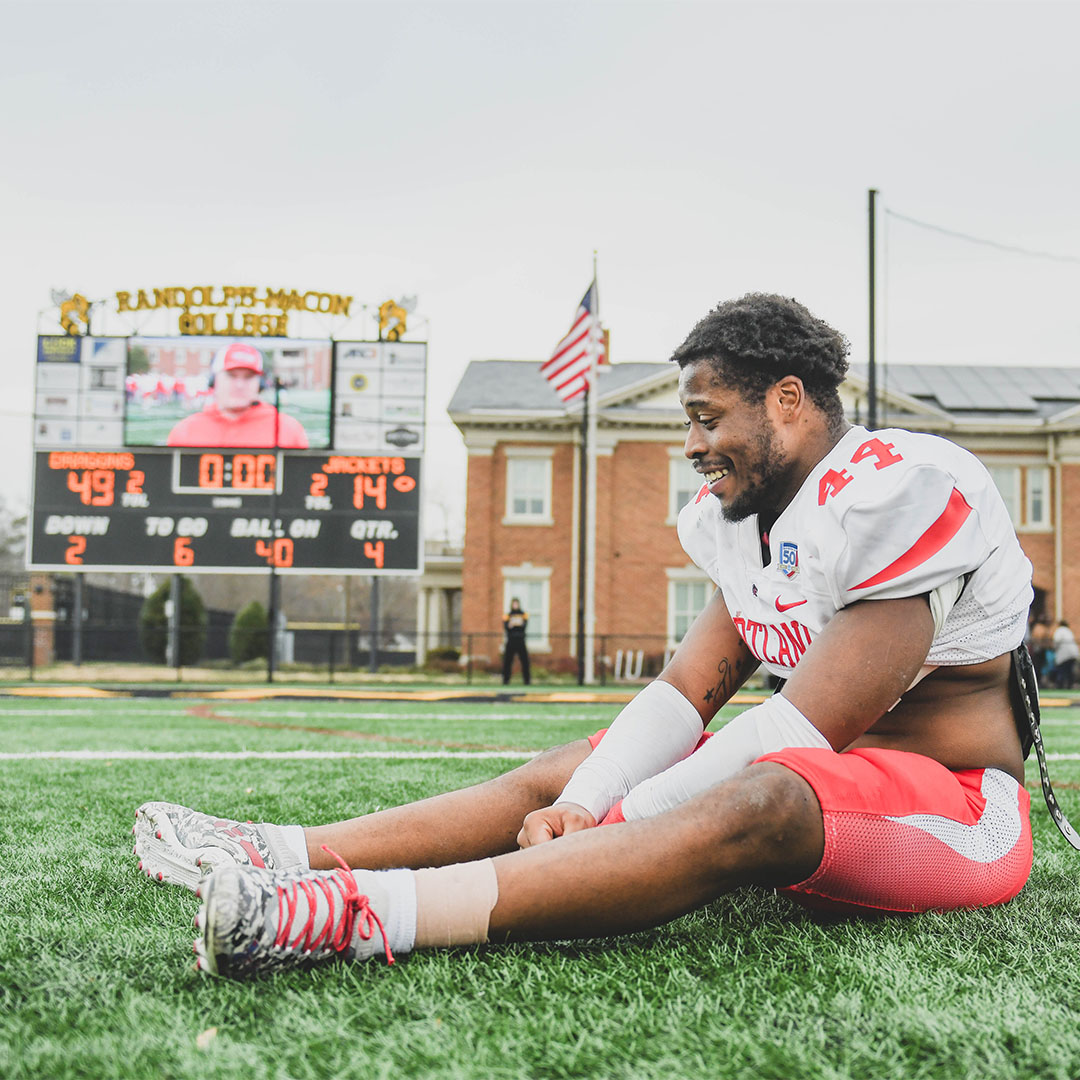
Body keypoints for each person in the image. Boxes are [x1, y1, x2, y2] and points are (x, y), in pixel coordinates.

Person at [135, 293, 1047, 980]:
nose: (691, 443)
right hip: (820, 781)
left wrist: (613, 818)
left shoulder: (903, 486)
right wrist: (592, 791)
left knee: (762, 792)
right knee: (589, 757)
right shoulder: (745, 519)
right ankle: (281, 852)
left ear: (787, 399)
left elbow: (797, 734)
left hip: (953, 805)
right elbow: (683, 695)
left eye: (706, 417)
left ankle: (350, 913)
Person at [166, 342, 308, 448]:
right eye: (231, 376)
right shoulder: (185, 430)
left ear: (261, 383)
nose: (240, 384)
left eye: (248, 377)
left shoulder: (288, 429)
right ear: (214, 380)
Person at [502, 598, 531, 685]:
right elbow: (506, 627)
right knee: (507, 661)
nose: (515, 605)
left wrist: (519, 623)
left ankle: (527, 681)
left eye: (516, 604)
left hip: (521, 640)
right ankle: (506, 680)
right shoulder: (507, 615)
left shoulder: (523, 614)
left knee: (525, 661)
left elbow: (524, 625)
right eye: (514, 604)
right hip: (511, 641)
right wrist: (510, 625)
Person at [1052, 620, 1079, 689]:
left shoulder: (1059, 630)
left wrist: (1054, 648)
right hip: (1073, 653)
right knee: (1069, 671)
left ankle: (1061, 685)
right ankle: (1070, 685)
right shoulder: (1069, 631)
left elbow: (1056, 641)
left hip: (1064, 655)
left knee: (1062, 671)